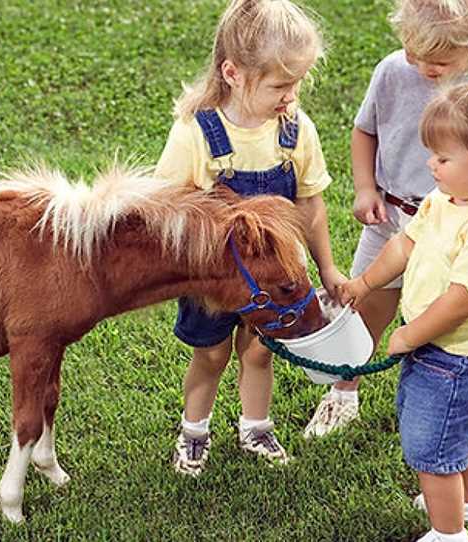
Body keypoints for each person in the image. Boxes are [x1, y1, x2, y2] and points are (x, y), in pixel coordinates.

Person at [340, 50, 468, 542]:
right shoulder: (448, 198)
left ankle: (449, 534)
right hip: (437, 350)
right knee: (459, 435)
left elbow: (462, 301)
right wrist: (365, 284)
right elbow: (403, 245)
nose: (429, 165)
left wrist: (409, 334)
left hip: (460, 359)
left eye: (442, 157)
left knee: (431, 449)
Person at [154, 0, 346, 476]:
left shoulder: (296, 130)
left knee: (261, 350)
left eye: (297, 82)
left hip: (278, 277)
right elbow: (168, 213)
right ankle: (194, 431)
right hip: (215, 280)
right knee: (212, 352)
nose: (291, 95)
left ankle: (255, 427)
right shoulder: (195, 135)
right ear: (233, 73)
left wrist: (327, 269)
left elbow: (311, 206)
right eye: (281, 85)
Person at [304, 0, 468, 438]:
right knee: (364, 308)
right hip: (391, 216)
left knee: (437, 320)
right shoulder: (393, 71)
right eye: (414, 54)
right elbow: (365, 130)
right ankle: (343, 393)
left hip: (451, 229)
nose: (422, 66)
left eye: (437, 61)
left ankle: (433, 400)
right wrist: (365, 188)